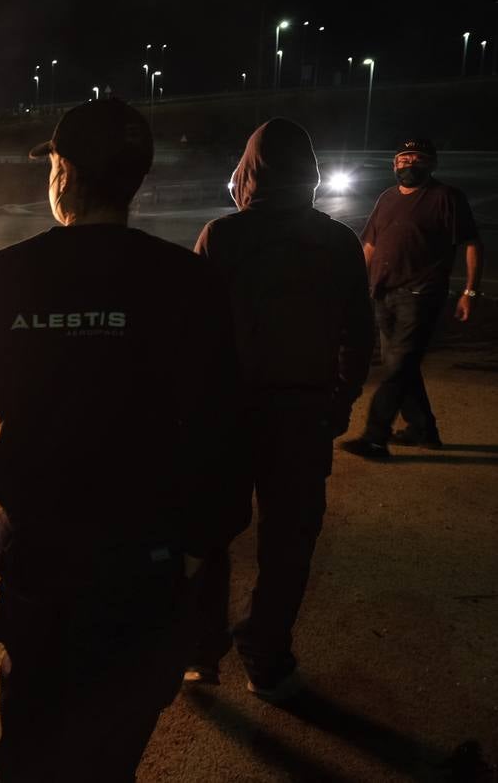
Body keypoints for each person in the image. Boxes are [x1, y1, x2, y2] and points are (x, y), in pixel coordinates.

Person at [0, 99, 249, 782]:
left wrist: (7, 485)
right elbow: (226, 428)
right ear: (134, 179)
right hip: (148, 562)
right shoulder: (190, 282)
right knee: (114, 746)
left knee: (30, 742)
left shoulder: (6, 275)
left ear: (65, 174)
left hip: (43, 554)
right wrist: (200, 540)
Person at [186, 118, 374, 701]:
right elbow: (359, 335)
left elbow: (194, 337)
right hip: (302, 414)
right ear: (310, 174)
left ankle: (200, 650)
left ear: (248, 172)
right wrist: (339, 403)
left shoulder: (222, 237)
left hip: (228, 415)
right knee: (288, 542)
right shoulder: (338, 241)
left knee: (209, 533)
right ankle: (264, 656)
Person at [341, 138, 483, 458]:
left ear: (431, 164)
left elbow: (471, 244)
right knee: (400, 365)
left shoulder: (446, 198)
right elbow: (371, 245)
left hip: (421, 294)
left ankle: (375, 437)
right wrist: (355, 283)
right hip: (382, 293)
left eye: (416, 159)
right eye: (402, 160)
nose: (407, 165)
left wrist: (469, 291)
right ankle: (423, 430)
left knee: (398, 367)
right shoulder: (386, 198)